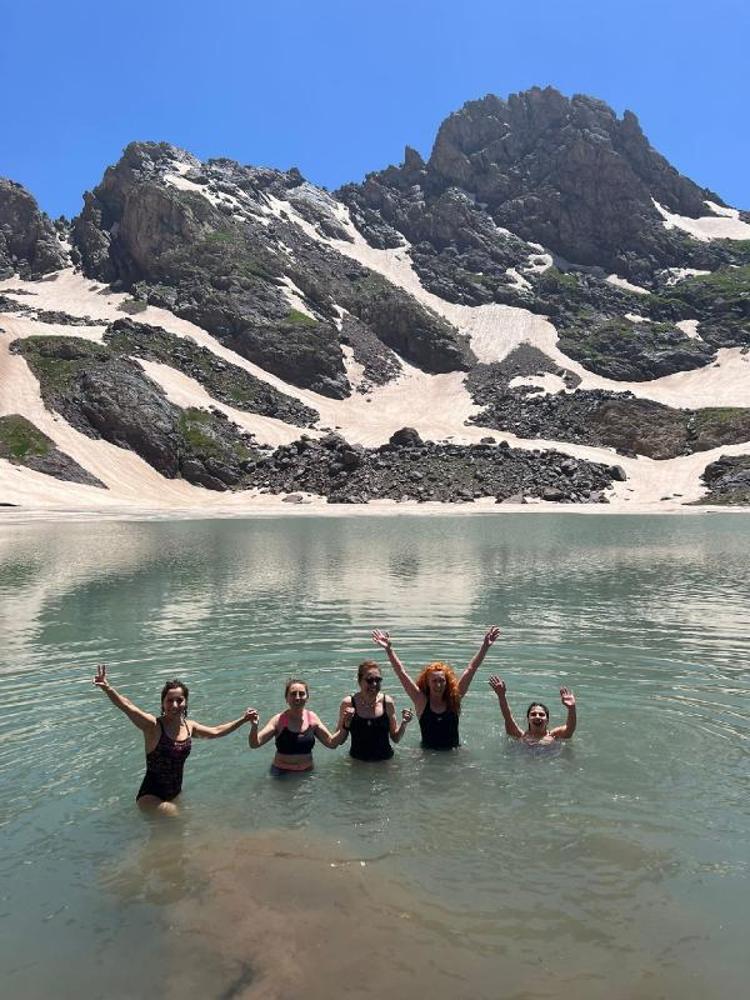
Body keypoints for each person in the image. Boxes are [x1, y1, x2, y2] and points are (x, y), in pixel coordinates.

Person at [92, 664, 255, 814]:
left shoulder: (190, 727)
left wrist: (243, 720)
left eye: (179, 700)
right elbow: (128, 706)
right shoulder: (153, 726)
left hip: (175, 793)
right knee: (180, 819)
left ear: (186, 703)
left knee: (175, 831)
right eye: (170, 701)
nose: (175, 705)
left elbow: (216, 731)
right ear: (163, 703)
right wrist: (108, 688)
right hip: (150, 797)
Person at [371, 626, 501, 750]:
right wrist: (389, 650)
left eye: (442, 681)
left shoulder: (454, 697)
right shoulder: (421, 701)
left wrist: (485, 646)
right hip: (427, 756)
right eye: (434, 681)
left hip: (453, 755)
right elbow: (401, 673)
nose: (438, 685)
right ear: (427, 682)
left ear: (447, 682)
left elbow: (471, 669)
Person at [248, 678, 348, 774]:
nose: (297, 698)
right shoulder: (280, 720)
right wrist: (254, 726)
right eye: (293, 694)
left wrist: (346, 724)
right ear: (286, 698)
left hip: (306, 772)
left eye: (301, 694)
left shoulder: (312, 718)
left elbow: (332, 743)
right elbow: (255, 744)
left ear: (307, 697)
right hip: (281, 772)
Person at [337, 660, 413, 762]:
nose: (374, 684)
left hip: (385, 762)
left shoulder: (387, 702)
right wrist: (346, 723)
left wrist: (404, 723)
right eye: (369, 680)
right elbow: (340, 741)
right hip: (358, 763)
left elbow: (395, 738)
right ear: (359, 681)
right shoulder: (349, 703)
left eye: (378, 680)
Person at [488, 676, 577, 744]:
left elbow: (570, 728)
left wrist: (571, 708)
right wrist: (501, 695)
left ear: (547, 720)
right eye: (533, 714)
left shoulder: (554, 736)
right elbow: (508, 717)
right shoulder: (520, 736)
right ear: (528, 719)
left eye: (541, 714)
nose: (537, 717)